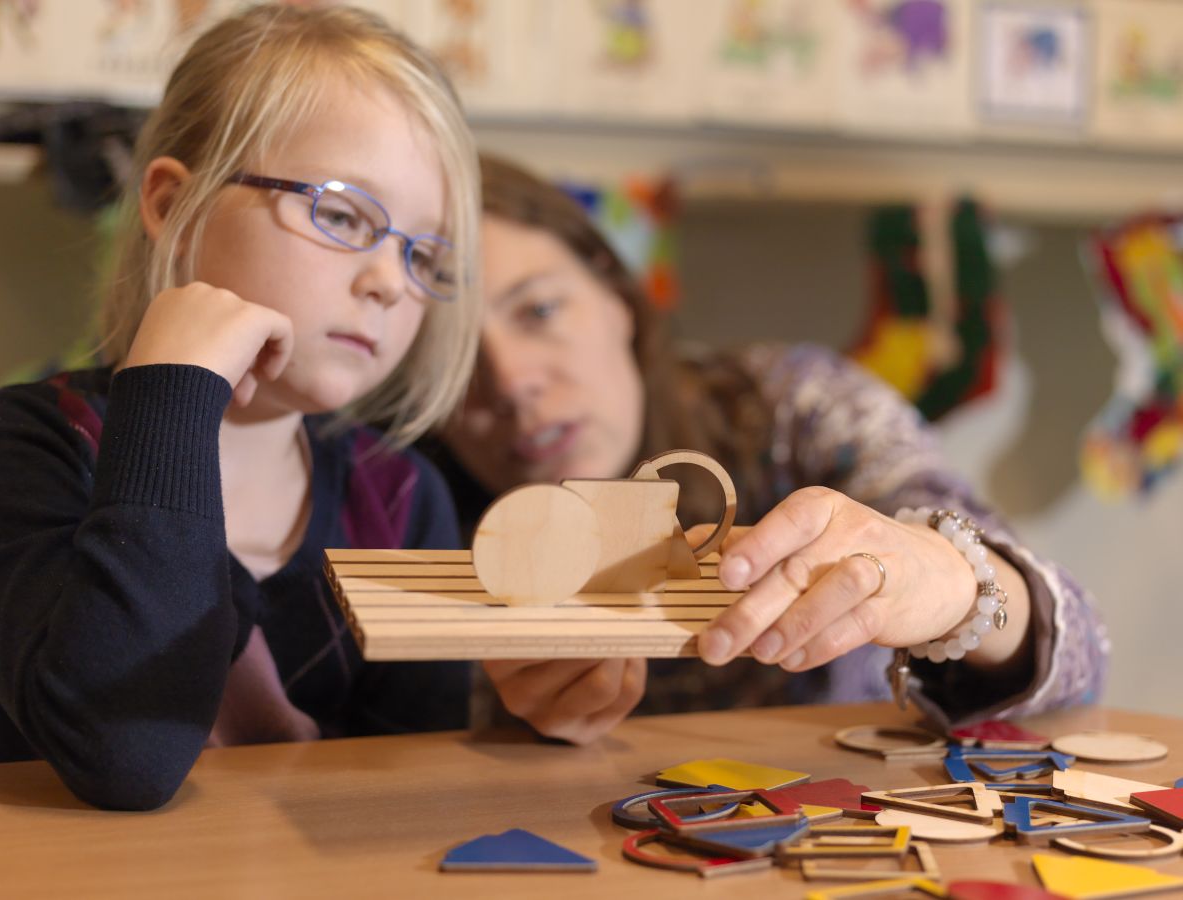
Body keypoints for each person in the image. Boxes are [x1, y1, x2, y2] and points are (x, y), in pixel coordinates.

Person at [423, 154, 1109, 745]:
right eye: (454, 354)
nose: (512, 382)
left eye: (540, 310)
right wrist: (503, 723)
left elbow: (1078, 652)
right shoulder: (401, 506)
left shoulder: (791, 408)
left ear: (615, 296)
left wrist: (950, 582)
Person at [0, 5, 482, 810]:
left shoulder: (397, 499)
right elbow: (125, 753)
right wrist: (175, 392)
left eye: (423, 251)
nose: (391, 281)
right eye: (344, 214)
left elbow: (415, 796)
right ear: (176, 207)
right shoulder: (22, 448)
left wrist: (547, 713)